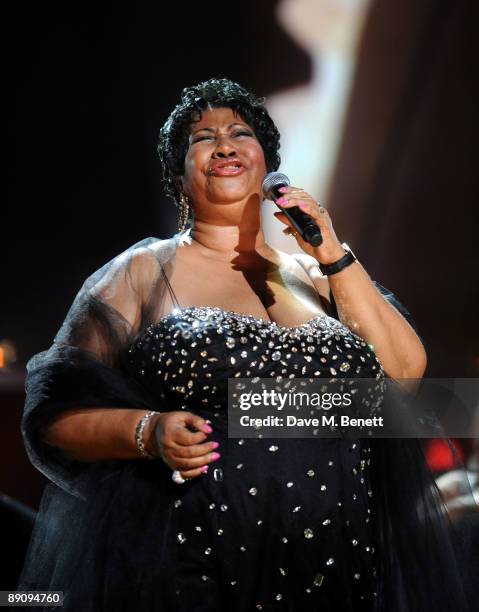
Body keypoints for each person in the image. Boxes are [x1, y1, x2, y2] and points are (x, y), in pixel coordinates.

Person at [18, 78, 472, 611]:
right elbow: (53, 416)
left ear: (267, 162)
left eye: (240, 133)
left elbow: (404, 377)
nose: (226, 144)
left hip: (340, 568)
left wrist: (332, 253)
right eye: (202, 138)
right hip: (194, 564)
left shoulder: (317, 272)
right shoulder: (141, 273)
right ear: (178, 175)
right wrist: (147, 431)